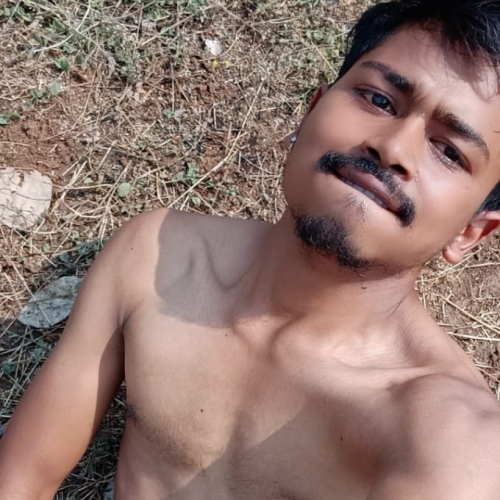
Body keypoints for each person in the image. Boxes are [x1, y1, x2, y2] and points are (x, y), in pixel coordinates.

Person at [1, 0, 500, 498]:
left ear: (470, 232)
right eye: (379, 99)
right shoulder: (154, 259)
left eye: (449, 151)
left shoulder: (452, 444)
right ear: (311, 110)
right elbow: (22, 479)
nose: (393, 147)